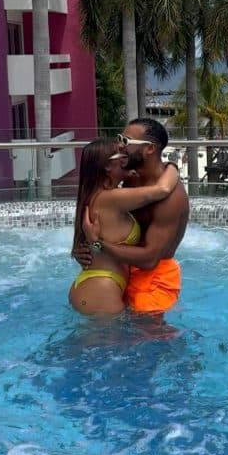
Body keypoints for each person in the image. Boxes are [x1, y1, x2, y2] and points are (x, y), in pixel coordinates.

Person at [76, 118, 190, 313]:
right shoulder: (131, 179)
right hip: (122, 273)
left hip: (152, 280)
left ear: (150, 149)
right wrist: (83, 248)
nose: (120, 145)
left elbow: (149, 259)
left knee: (148, 338)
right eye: (120, 138)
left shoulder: (171, 199)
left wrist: (98, 245)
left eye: (126, 142)